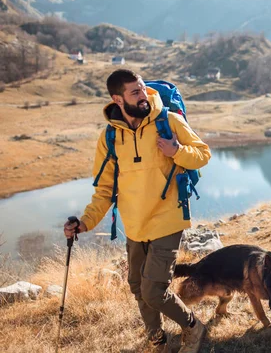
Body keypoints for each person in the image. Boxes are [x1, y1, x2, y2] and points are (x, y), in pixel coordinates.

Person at [63, 69, 211, 352]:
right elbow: (105, 190)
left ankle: (193, 326)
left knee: (153, 290)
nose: (143, 96)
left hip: (168, 218)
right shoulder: (109, 137)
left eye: (143, 89)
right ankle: (158, 341)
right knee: (137, 288)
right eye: (135, 92)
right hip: (135, 224)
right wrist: (84, 223)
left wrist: (176, 151)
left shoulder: (168, 120)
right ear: (117, 99)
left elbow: (203, 154)